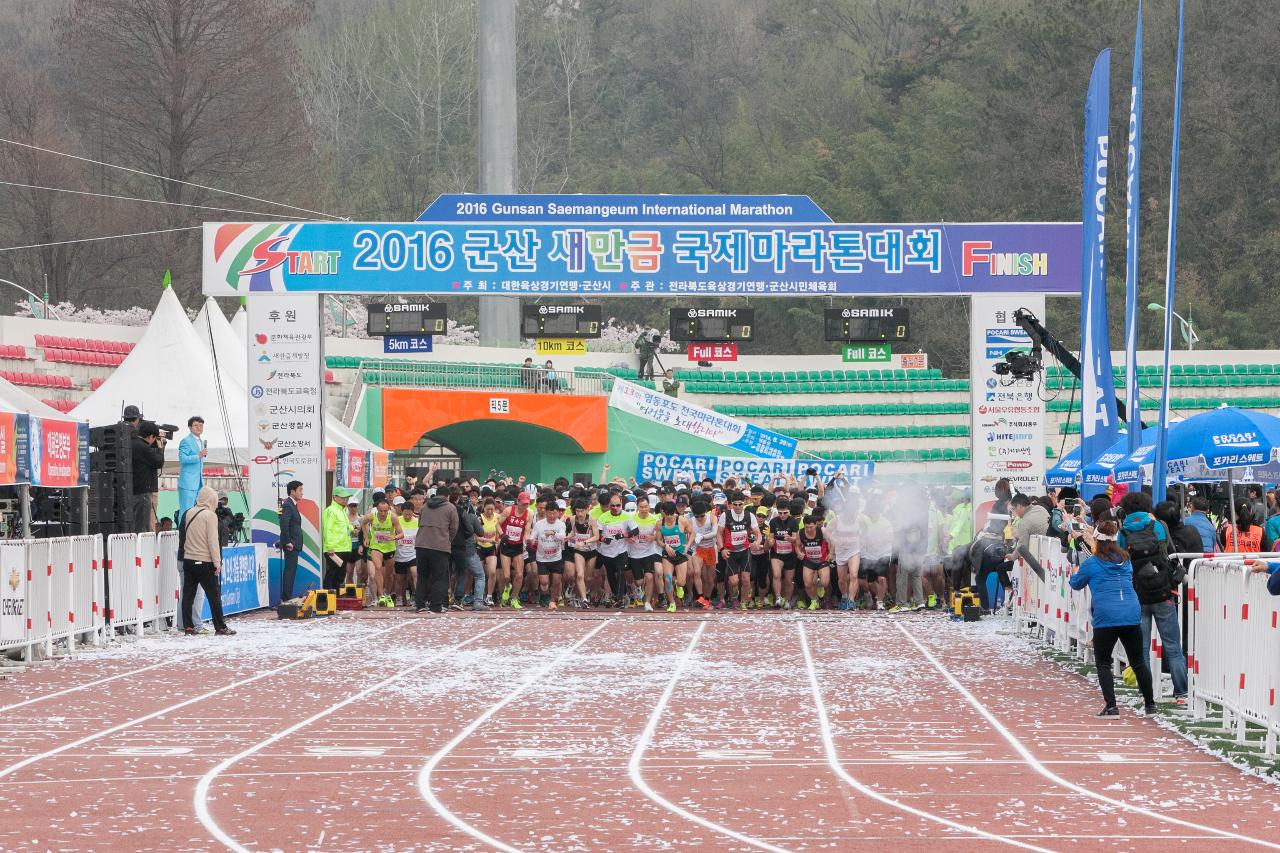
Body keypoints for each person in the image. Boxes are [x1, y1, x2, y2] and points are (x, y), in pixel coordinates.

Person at [1069, 520, 1157, 718]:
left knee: (1102, 662)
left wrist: (1074, 572)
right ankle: (1150, 705)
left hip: (1106, 615)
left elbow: (1076, 584)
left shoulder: (1092, 563)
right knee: (1138, 662)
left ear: (1097, 541)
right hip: (1131, 612)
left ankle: (1111, 707)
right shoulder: (1126, 560)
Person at [179, 486, 234, 636]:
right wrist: (217, 563)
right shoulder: (210, 515)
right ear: (211, 499)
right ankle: (220, 626)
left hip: (189, 560)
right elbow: (212, 541)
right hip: (204, 561)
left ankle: (188, 626)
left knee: (188, 596)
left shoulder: (189, 513)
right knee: (214, 596)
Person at [415, 487, 458, 613]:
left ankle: (420, 604)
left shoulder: (425, 506)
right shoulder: (450, 507)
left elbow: (419, 523)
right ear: (448, 496)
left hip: (421, 545)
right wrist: (446, 539)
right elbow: (454, 528)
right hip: (440, 547)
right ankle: (436, 606)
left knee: (422, 576)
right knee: (438, 577)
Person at [448, 487, 487, 611]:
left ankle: (446, 600)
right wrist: (478, 523)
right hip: (468, 550)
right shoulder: (471, 516)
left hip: (451, 549)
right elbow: (480, 533)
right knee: (479, 575)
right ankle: (477, 602)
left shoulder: (449, 514)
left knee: (450, 574)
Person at [362, 494, 400, 607]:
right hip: (376, 546)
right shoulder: (371, 516)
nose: (383, 513)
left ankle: (387, 594)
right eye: (381, 511)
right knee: (378, 568)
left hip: (389, 548)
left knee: (389, 574)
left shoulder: (393, 517)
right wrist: (366, 537)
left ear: (388, 509)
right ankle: (381, 595)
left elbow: (401, 533)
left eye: (385, 511)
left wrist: (394, 537)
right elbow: (363, 523)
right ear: (377, 509)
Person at [529, 499, 568, 608]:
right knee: (544, 582)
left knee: (556, 581)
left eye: (554, 513)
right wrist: (531, 540)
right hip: (542, 558)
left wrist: (553, 533)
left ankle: (552, 601)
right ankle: (544, 595)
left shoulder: (561, 525)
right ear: (545, 513)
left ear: (558, 513)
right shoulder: (539, 524)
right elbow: (532, 536)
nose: (552, 516)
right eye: (549, 513)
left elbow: (562, 537)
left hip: (556, 557)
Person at [130, 421, 165, 533]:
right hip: (143, 491)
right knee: (142, 525)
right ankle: (140, 550)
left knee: (135, 523)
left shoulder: (131, 443)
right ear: (151, 436)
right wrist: (160, 449)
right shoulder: (143, 447)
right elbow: (158, 462)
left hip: (134, 489)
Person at [278, 480, 304, 602]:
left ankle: (286, 598)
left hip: (294, 544)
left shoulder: (293, 504)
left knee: (291, 572)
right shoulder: (288, 504)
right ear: (292, 491)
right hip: (291, 545)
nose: (302, 493)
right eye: (300, 490)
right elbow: (284, 524)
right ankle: (285, 599)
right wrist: (288, 541)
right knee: (289, 571)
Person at [322, 489, 351, 591]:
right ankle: (327, 597)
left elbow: (344, 527)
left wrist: (353, 529)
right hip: (334, 549)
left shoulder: (342, 510)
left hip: (343, 548)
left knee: (340, 575)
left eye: (346, 498)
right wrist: (330, 547)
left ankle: (337, 598)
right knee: (332, 574)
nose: (345, 500)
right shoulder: (331, 510)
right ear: (334, 497)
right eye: (342, 497)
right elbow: (328, 529)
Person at [177, 416, 206, 519]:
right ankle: (183, 534)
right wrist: (198, 456)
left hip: (198, 482)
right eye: (196, 425)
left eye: (201, 425)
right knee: (186, 511)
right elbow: (183, 459)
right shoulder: (186, 441)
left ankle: (192, 534)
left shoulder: (202, 442)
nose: (199, 428)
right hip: (188, 482)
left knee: (197, 512)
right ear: (190, 427)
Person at [395, 497, 420, 607]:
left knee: (414, 573)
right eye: (405, 514)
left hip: (412, 553)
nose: (407, 516)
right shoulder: (397, 520)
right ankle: (400, 597)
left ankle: (416, 596)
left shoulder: (417, 522)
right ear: (402, 511)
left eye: (409, 514)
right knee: (400, 578)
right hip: (399, 554)